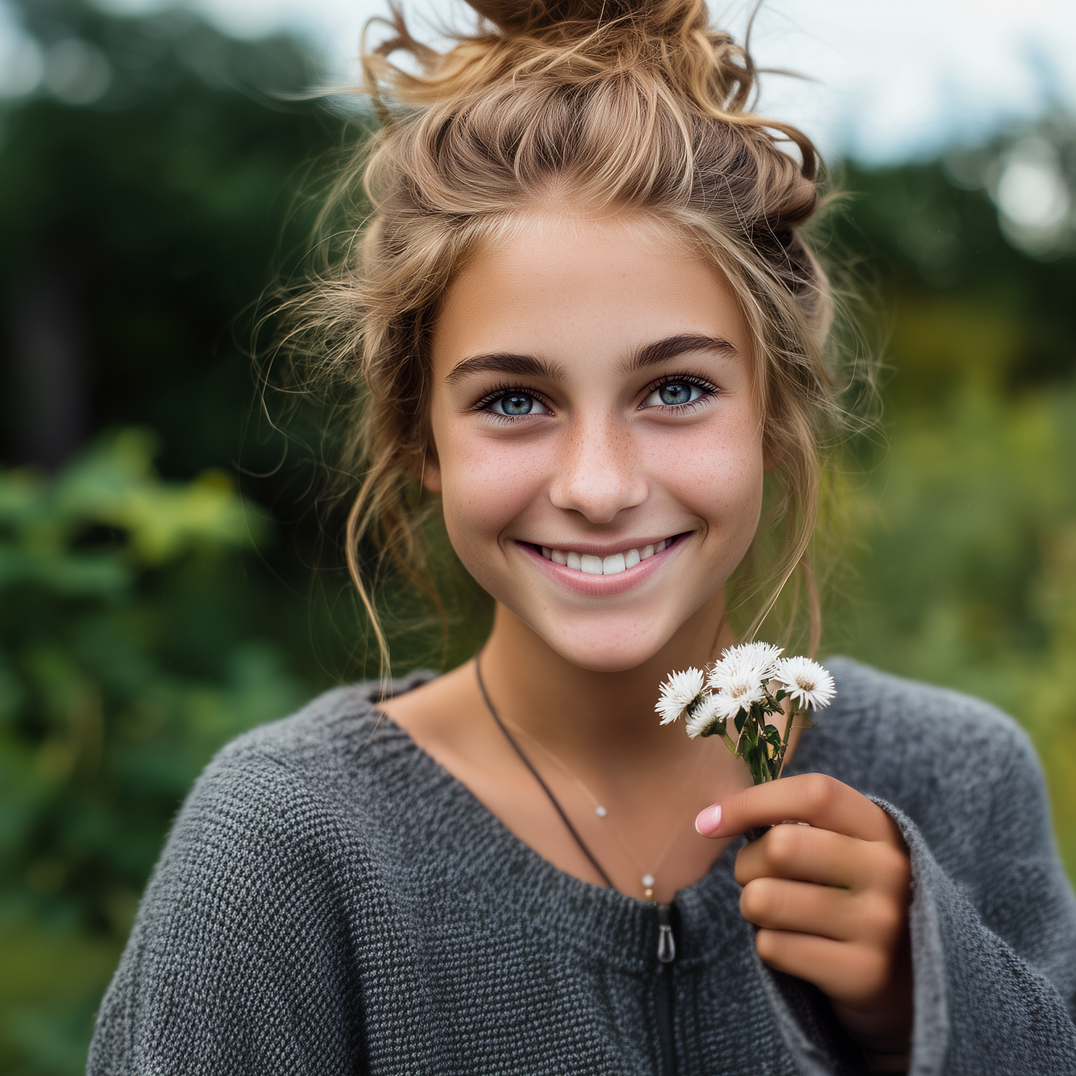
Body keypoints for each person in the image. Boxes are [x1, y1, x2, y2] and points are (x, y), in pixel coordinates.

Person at [87, 0, 1076, 1073]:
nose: (597, 486)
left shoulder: (958, 783)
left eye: (676, 388)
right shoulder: (285, 846)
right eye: (514, 400)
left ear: (772, 416)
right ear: (418, 433)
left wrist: (930, 1001)